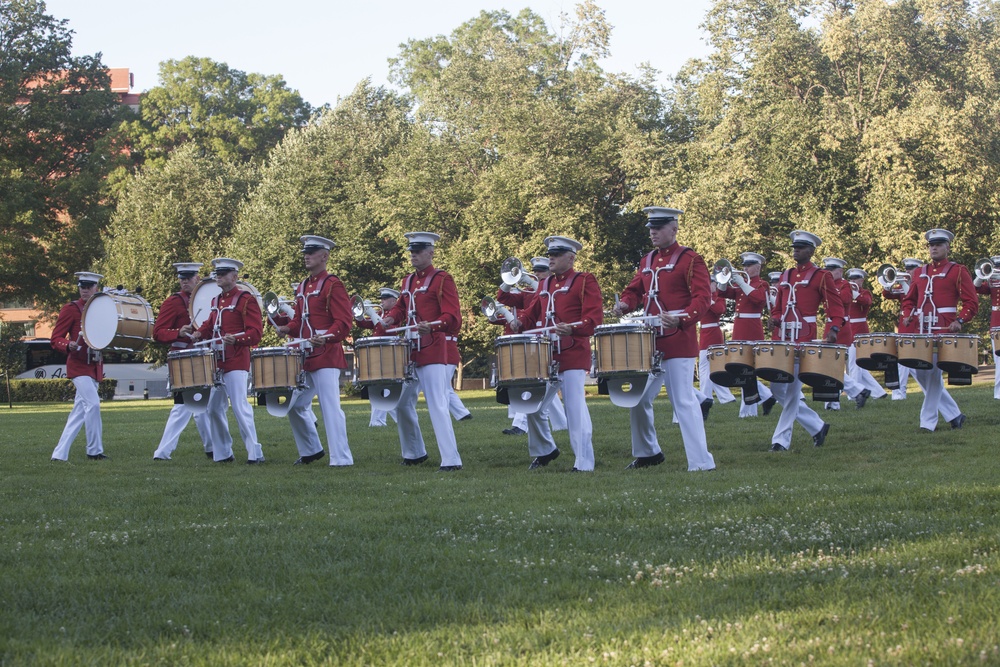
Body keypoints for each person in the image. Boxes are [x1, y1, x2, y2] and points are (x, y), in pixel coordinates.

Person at [612, 207, 715, 471]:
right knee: (637, 398)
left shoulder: (691, 259)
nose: (653, 233)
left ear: (674, 229)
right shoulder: (647, 260)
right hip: (649, 342)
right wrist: (624, 304)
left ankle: (701, 462)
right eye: (651, 228)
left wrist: (682, 318)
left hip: (678, 339)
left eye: (658, 228)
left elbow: (703, 298)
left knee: (682, 401)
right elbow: (635, 290)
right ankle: (648, 453)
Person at [511, 236, 602, 471]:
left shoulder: (584, 280)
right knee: (532, 404)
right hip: (546, 355)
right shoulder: (545, 284)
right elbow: (532, 313)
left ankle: (584, 462)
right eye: (550, 254)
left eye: (557, 254)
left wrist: (573, 328)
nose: (551, 258)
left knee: (574, 408)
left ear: (570, 258)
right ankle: (545, 450)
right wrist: (519, 322)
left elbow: (594, 318)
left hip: (573, 353)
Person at [380, 232, 464, 471]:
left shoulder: (442, 279)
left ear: (431, 253)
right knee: (401, 403)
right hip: (410, 350)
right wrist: (391, 318)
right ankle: (414, 453)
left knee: (436, 403)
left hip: (432, 348)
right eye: (412, 251)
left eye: (418, 251)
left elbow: (452, 316)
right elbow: (401, 307)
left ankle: (451, 459)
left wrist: (433, 325)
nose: (413, 255)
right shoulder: (407, 281)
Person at [275, 236, 353, 466]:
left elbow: (344, 321)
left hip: (326, 354)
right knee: (295, 405)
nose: (306, 256)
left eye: (311, 253)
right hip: (305, 354)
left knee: (330, 408)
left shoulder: (333, 284)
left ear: (324, 256)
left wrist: (326, 337)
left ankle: (341, 458)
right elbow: (299, 319)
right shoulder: (302, 286)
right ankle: (311, 450)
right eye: (305, 253)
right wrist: (287, 328)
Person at [767, 230, 843, 452]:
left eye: (800, 248)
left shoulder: (821, 276)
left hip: (805, 336)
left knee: (792, 390)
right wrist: (774, 318)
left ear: (811, 251)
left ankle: (780, 441)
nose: (796, 251)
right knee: (776, 388)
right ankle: (817, 426)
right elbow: (778, 307)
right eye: (794, 248)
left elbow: (835, 306)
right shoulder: (786, 275)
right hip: (783, 336)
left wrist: (833, 329)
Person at [185, 258, 265, 463]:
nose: (218, 277)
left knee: (239, 407)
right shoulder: (216, 301)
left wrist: (236, 339)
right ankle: (223, 452)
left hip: (236, 360)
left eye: (223, 273)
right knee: (213, 408)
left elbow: (256, 332)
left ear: (234, 276)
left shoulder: (246, 299)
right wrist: (198, 333)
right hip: (217, 362)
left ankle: (255, 452)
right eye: (217, 274)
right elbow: (210, 324)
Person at [901, 228, 978, 431]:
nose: (933, 248)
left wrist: (960, 320)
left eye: (938, 245)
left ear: (947, 247)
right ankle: (955, 415)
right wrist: (908, 314)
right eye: (931, 245)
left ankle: (927, 423)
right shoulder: (920, 272)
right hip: (920, 330)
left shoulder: (957, 270)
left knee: (933, 374)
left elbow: (971, 302)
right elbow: (909, 300)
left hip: (943, 329)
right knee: (917, 371)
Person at [495, 256, 568, 436]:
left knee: (537, 380)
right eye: (535, 272)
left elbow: (547, 296)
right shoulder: (527, 293)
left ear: (550, 272)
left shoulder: (554, 290)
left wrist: (530, 281)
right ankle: (561, 424)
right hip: (534, 340)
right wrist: (509, 280)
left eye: (541, 271)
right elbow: (502, 297)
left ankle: (521, 425)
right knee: (543, 382)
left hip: (551, 337)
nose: (537, 274)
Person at [152, 263, 214, 460]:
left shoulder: (210, 298)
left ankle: (212, 448)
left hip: (204, 356)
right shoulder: (173, 302)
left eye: (189, 277)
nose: (185, 281)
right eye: (182, 278)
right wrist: (177, 332)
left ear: (198, 278)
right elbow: (158, 333)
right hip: (183, 358)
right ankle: (162, 452)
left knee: (202, 407)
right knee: (183, 406)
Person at [50, 272, 107, 461]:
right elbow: (55, 338)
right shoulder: (71, 309)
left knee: (79, 412)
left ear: (96, 288)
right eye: (82, 287)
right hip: (78, 365)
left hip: (94, 365)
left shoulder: (102, 310)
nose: (85, 290)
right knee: (93, 404)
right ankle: (94, 451)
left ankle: (59, 454)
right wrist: (68, 345)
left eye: (89, 287)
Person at [716, 252, 776, 418]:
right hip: (739, 326)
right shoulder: (741, 284)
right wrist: (723, 279)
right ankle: (763, 398)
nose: (745, 269)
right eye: (744, 266)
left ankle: (749, 410)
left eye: (749, 266)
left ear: (758, 267)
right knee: (741, 368)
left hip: (752, 327)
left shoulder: (762, 284)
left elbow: (758, 299)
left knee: (748, 369)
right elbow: (722, 293)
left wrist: (742, 283)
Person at [820, 258, 873, 410]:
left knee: (831, 364)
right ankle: (846, 396)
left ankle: (837, 400)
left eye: (832, 270)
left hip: (841, 327)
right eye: (827, 270)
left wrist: (831, 291)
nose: (829, 273)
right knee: (829, 365)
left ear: (840, 271)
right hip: (830, 324)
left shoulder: (845, 285)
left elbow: (845, 299)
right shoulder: (826, 285)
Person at [354, 287, 399, 427]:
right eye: (382, 299)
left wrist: (372, 314)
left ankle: (379, 421)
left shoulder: (395, 314)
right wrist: (360, 314)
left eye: (385, 299)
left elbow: (382, 329)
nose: (382, 301)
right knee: (379, 386)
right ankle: (380, 420)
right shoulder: (381, 313)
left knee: (382, 386)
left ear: (393, 301)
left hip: (387, 351)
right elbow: (363, 324)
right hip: (378, 351)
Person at [845, 268, 890, 400]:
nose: (853, 281)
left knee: (854, 364)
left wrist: (855, 294)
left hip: (859, 330)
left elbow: (867, 302)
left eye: (856, 279)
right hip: (848, 329)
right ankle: (878, 392)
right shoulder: (846, 292)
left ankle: (854, 395)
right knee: (859, 365)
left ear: (862, 280)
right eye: (851, 279)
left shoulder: (865, 293)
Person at [693, 279, 736, 415]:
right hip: (704, 333)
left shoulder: (718, 297)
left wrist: (710, 300)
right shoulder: (703, 296)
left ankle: (707, 397)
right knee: (707, 369)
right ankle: (725, 397)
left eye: (711, 283)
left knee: (711, 368)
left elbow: (720, 310)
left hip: (713, 333)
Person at [882, 258, 923, 400]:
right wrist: (888, 283)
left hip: (917, 322)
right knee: (903, 359)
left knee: (915, 359)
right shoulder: (902, 285)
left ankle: (926, 389)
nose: (907, 272)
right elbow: (887, 294)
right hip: (904, 324)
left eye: (911, 269)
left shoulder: (922, 284)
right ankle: (899, 393)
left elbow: (916, 297)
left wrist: (907, 284)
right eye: (906, 269)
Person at [973, 255, 1000, 400]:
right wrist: (982, 274)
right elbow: (975, 287)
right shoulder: (992, 281)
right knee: (998, 360)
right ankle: (998, 393)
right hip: (996, 321)